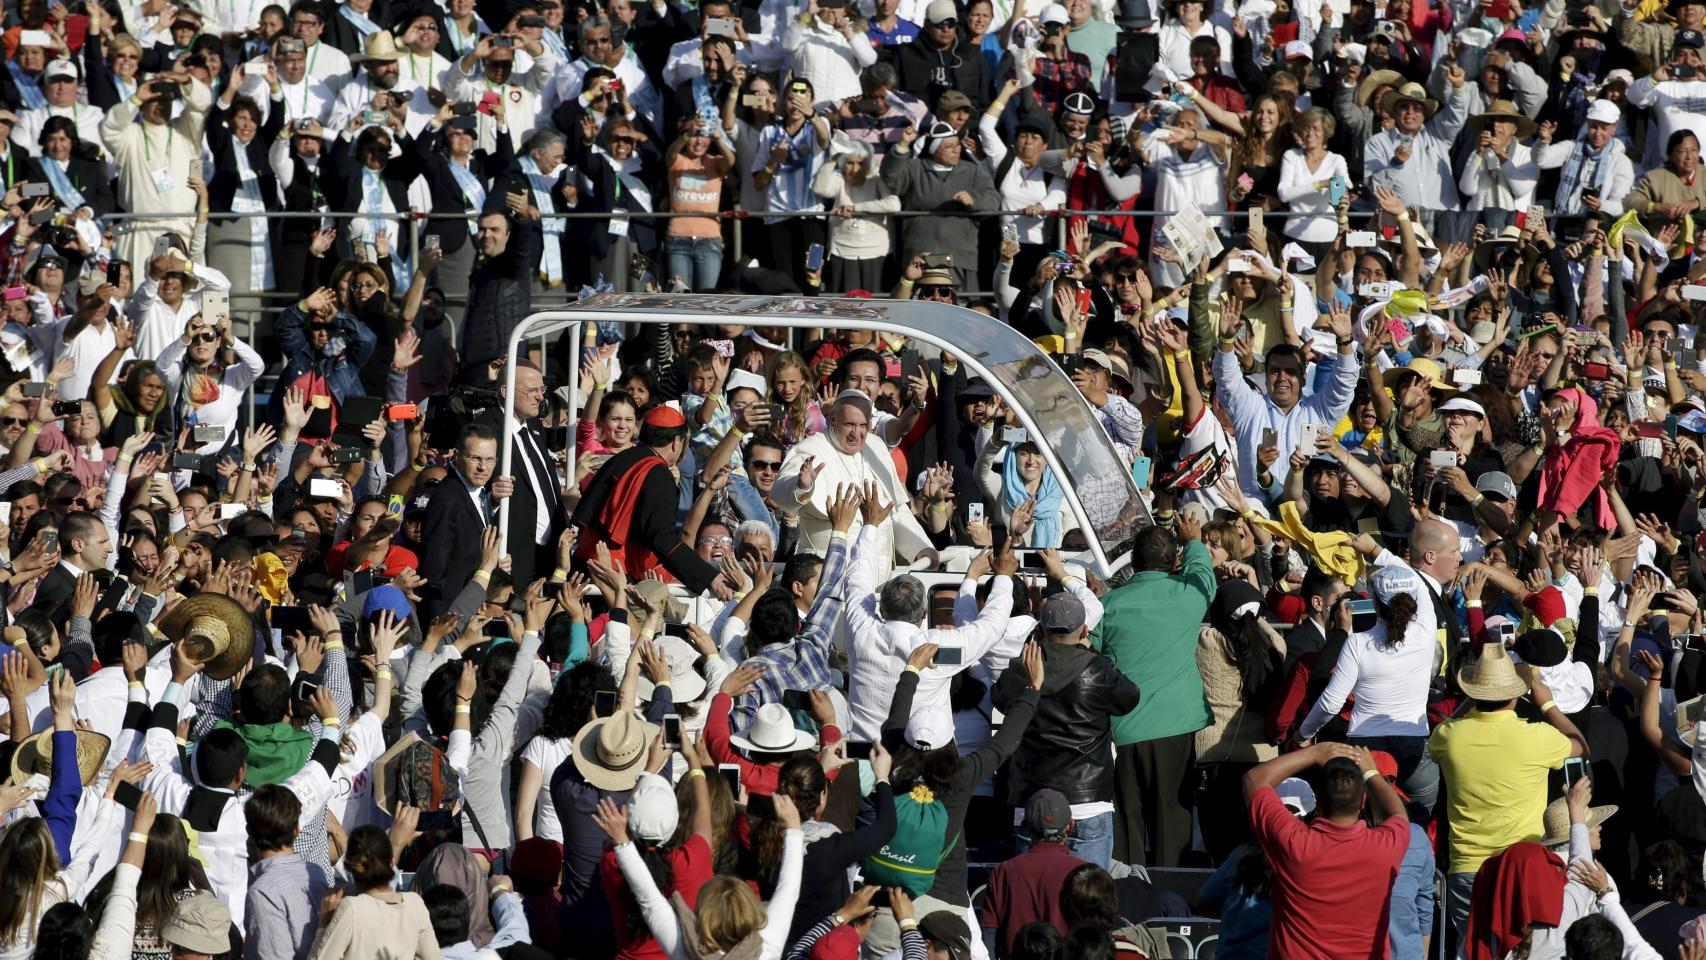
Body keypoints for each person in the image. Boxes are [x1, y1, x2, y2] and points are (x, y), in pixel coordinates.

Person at [1097, 510, 1216, 867]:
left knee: (1125, 820)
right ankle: (1170, 888)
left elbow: (1090, 652)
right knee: (1171, 820)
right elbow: (1204, 575)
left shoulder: (1107, 605)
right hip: (1174, 727)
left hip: (1121, 730)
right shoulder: (1189, 595)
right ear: (1175, 562)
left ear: (1133, 562)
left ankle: (1126, 890)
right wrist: (1193, 540)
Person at [1243, 743, 1411, 958]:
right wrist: (1371, 773)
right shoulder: (1387, 845)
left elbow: (1254, 779)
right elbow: (1398, 813)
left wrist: (1315, 752)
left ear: (1318, 799)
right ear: (1362, 801)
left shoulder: (1294, 842)